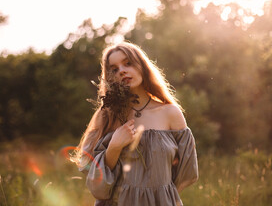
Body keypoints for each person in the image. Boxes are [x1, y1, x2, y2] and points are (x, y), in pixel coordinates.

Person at [72, 41, 198, 206]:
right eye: (114, 69)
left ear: (142, 66)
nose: (122, 71)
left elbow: (187, 172)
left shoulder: (170, 113)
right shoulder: (107, 116)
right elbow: (96, 185)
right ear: (110, 77)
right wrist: (114, 147)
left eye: (128, 63)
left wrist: (157, 195)